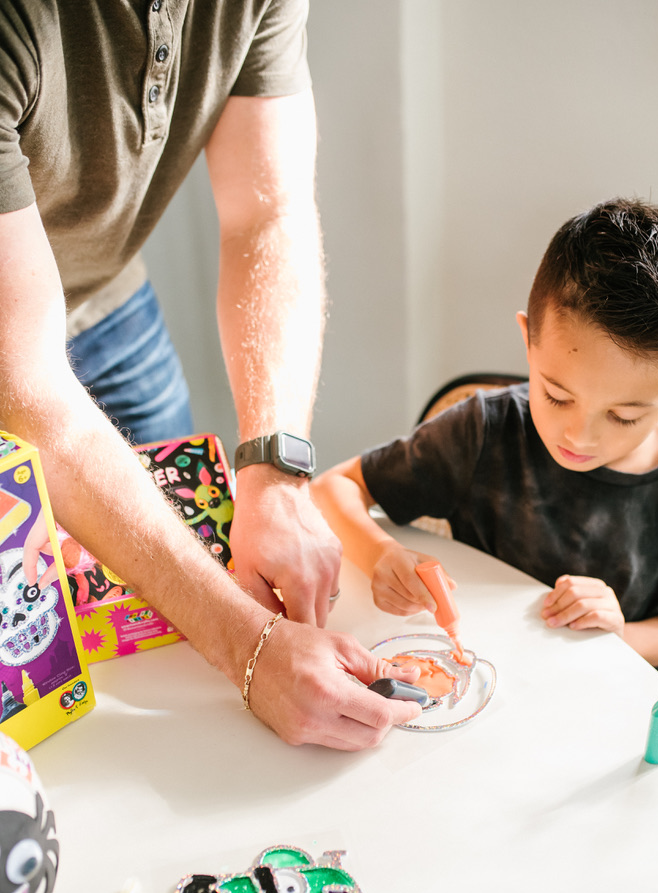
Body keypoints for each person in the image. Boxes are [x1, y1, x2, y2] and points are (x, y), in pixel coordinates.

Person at [0, 1, 422, 747]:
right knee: (37, 669)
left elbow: (268, 216)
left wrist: (274, 471)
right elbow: (26, 383)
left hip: (106, 299)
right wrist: (249, 650)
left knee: (182, 595)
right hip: (16, 352)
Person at [312, 198, 658, 740]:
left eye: (624, 415)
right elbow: (332, 486)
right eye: (556, 396)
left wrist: (622, 631)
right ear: (529, 340)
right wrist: (381, 551)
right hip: (507, 698)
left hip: (641, 702)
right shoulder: (483, 431)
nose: (580, 435)